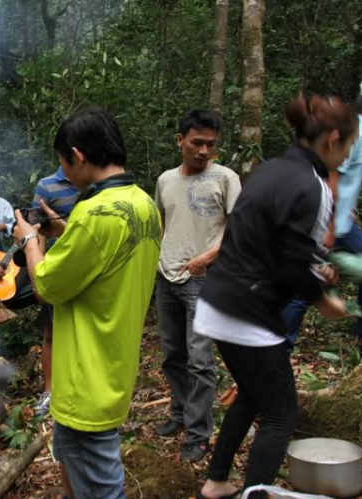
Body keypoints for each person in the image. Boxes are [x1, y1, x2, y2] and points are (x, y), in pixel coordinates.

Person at [194, 95, 355, 499]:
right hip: (247, 311)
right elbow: (291, 264)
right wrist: (324, 298)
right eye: (349, 146)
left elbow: (278, 246)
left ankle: (216, 483)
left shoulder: (272, 171)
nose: (349, 155)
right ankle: (255, 494)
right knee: (282, 412)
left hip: (218, 303)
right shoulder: (311, 186)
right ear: (334, 138)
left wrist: (317, 269)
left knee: (251, 394)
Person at [13, 107, 161, 499]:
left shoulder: (93, 212)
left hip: (85, 380)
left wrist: (30, 241)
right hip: (113, 368)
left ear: (77, 156)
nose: (66, 174)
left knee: (102, 488)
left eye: (64, 164)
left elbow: (45, 285)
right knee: (76, 473)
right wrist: (65, 231)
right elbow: (106, 263)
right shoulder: (143, 204)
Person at [154, 110, 241, 461]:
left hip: (204, 280)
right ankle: (179, 413)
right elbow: (163, 223)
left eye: (211, 144)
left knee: (201, 360)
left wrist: (209, 257)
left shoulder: (226, 178)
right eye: (197, 143)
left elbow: (240, 229)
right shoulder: (164, 181)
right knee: (173, 354)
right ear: (180, 141)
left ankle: (198, 433)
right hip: (166, 277)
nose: (204, 151)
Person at [282, 76, 362, 352]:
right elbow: (332, 176)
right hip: (330, 223)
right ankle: (279, 344)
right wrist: (328, 227)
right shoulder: (354, 131)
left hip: (340, 221)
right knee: (308, 283)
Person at [31, 165, 80, 416]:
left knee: (80, 330)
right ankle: (49, 392)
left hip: (84, 268)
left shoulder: (93, 182)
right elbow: (37, 230)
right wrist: (38, 271)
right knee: (50, 332)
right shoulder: (47, 185)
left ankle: (78, 389)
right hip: (56, 267)